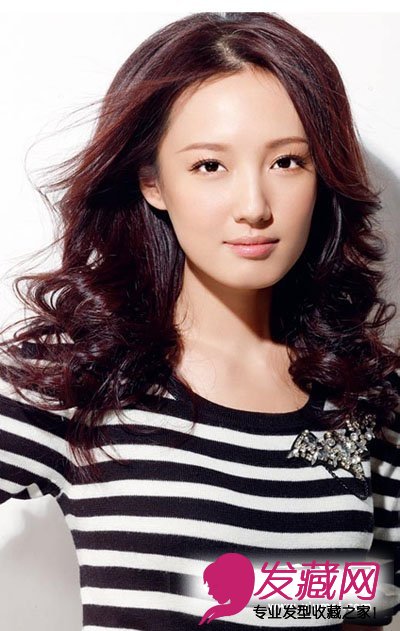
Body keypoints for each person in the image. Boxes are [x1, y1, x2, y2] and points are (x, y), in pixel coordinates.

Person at [0, 11, 398, 631]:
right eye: (210, 165)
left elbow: (357, 615)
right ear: (153, 183)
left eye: (288, 162)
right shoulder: (81, 377)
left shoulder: (365, 397)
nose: (254, 207)